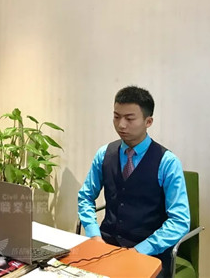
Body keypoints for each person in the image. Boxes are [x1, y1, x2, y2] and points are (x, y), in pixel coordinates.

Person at [77, 86, 190, 278]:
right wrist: (94, 235)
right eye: (116, 117)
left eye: (129, 119)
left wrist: (140, 250)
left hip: (149, 253)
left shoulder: (167, 162)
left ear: (148, 121)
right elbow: (85, 197)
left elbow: (180, 221)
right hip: (106, 246)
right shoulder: (104, 154)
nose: (121, 125)